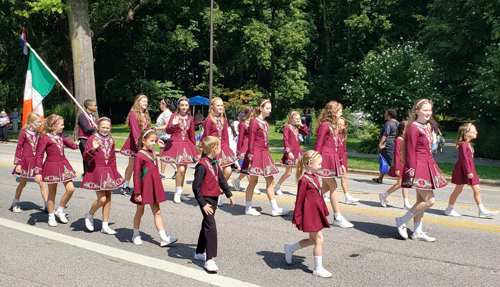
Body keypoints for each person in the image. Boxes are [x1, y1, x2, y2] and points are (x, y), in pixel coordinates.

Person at [396, 99, 448, 242]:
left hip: (428, 163)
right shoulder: (413, 128)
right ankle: (402, 220)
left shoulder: (427, 126)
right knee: (430, 200)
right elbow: (410, 151)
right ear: (417, 111)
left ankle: (417, 231)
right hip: (418, 165)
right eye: (425, 110)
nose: (428, 113)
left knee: (420, 200)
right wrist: (411, 171)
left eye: (430, 110)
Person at [285, 150, 332, 278]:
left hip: (316, 214)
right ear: (309, 163)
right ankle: (318, 268)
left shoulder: (316, 177)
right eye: (319, 164)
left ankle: (290, 249)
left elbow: (319, 196)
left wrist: (324, 211)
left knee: (312, 240)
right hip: (309, 215)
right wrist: (296, 218)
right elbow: (299, 201)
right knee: (319, 240)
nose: (321, 166)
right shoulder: (304, 180)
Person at [192, 136, 235, 272]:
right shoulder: (202, 165)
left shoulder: (215, 162)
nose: (221, 149)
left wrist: (229, 194)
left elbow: (221, 180)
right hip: (206, 200)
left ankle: (199, 252)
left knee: (206, 223)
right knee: (211, 226)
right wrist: (203, 204)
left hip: (214, 198)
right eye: (220, 147)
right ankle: (209, 259)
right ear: (214, 148)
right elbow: (196, 187)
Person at [240, 99, 289, 217]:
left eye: (270, 108)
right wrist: (250, 156)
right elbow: (251, 141)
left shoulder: (266, 123)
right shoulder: (254, 122)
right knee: (253, 181)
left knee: (270, 180)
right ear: (261, 108)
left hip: (264, 153)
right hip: (255, 153)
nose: (270, 111)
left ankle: (274, 208)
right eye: (267, 108)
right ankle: (248, 207)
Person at [130, 129, 178, 247]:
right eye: (151, 141)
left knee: (157, 212)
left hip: (153, 186)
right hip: (143, 188)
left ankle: (163, 238)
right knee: (140, 211)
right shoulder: (139, 155)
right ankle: (135, 234)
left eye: (154, 141)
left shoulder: (152, 153)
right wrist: (137, 192)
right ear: (143, 141)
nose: (153, 143)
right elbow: (136, 175)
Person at [444, 123, 499, 218]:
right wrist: (468, 172)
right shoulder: (463, 145)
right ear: (467, 133)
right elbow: (464, 159)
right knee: (458, 190)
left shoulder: (468, 144)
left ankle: (481, 210)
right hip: (463, 170)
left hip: (469, 169)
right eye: (474, 131)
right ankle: (449, 209)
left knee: (477, 189)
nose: (476, 132)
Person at [81, 117, 125, 234]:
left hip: (109, 171)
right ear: (98, 127)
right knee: (102, 199)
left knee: (108, 198)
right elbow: (86, 157)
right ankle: (89, 215)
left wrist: (114, 172)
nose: (105, 130)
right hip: (97, 170)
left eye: (107, 128)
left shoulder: (111, 139)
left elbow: (112, 157)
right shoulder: (92, 138)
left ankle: (104, 225)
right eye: (103, 127)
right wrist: (93, 149)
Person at [34, 114, 79, 227]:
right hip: (51, 166)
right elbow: (39, 155)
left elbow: (68, 143)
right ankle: (51, 215)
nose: (63, 126)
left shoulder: (60, 136)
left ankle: (60, 209)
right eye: (61, 124)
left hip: (63, 165)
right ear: (54, 126)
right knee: (52, 193)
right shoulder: (45, 138)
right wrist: (38, 172)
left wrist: (75, 145)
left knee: (71, 189)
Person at [314, 101, 353, 228]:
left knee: (324, 188)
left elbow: (339, 146)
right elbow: (318, 145)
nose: (341, 113)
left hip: (333, 159)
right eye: (340, 111)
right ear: (334, 112)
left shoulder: (334, 126)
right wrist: (315, 161)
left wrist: (341, 162)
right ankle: (337, 217)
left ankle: (308, 204)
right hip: (325, 159)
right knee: (333, 187)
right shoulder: (325, 125)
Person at [161, 97, 200, 203]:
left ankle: (180, 192)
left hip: (187, 144)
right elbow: (168, 131)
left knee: (184, 170)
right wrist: (173, 124)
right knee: (181, 170)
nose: (184, 107)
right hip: (176, 144)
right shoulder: (174, 116)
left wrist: (193, 147)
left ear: (188, 106)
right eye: (182, 105)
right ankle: (177, 193)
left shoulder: (190, 118)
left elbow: (191, 133)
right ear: (178, 106)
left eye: (186, 105)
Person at [200, 97, 238, 206]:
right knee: (217, 171)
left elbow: (225, 136)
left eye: (222, 105)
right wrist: (206, 150)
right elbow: (206, 136)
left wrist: (227, 150)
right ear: (212, 107)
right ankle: (214, 195)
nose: (221, 107)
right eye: (218, 105)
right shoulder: (208, 120)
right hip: (213, 148)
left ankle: (217, 190)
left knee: (228, 171)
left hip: (223, 147)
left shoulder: (224, 120)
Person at [11, 112, 48, 213]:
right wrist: (18, 164)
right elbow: (19, 148)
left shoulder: (39, 134)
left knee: (42, 183)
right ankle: (15, 202)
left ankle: (47, 205)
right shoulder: (24, 133)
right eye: (37, 122)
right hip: (25, 162)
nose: (39, 124)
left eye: (40, 122)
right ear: (31, 123)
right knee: (23, 183)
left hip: (36, 162)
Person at [120, 94, 151, 196]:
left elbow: (147, 130)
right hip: (135, 143)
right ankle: (126, 186)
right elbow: (135, 131)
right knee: (132, 165)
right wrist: (139, 144)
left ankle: (140, 186)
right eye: (143, 101)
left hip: (143, 143)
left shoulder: (145, 115)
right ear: (138, 102)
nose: (145, 103)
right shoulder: (133, 114)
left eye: (146, 102)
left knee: (142, 166)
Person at [378, 120, 412, 210]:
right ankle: (383, 195)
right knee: (399, 184)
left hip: (404, 164)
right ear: (403, 129)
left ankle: (406, 203)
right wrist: (397, 168)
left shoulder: (404, 139)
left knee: (405, 183)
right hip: (399, 165)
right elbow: (397, 154)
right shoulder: (398, 140)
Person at [275, 111, 309, 195]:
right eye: (296, 118)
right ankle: (277, 187)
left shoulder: (297, 128)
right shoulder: (287, 127)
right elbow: (285, 140)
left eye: (299, 118)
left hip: (298, 152)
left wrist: (301, 125)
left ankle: (301, 190)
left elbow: (306, 133)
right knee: (288, 173)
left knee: (301, 171)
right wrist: (288, 152)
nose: (297, 120)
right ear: (290, 119)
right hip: (290, 152)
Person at [337, 117, 360, 205]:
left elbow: (343, 150)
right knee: (329, 182)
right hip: (335, 159)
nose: (339, 126)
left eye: (341, 124)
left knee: (343, 177)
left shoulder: (342, 136)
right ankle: (321, 195)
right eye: (337, 124)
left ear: (345, 126)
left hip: (341, 159)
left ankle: (347, 196)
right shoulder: (335, 136)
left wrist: (343, 162)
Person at [372, 109, 399, 184]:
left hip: (388, 145)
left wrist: (380, 143)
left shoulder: (388, 123)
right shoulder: (398, 123)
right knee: (386, 161)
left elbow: (386, 134)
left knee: (391, 162)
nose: (385, 115)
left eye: (386, 114)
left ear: (389, 115)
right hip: (396, 143)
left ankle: (400, 180)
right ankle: (380, 178)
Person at [231, 106, 252, 192]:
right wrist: (238, 151)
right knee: (248, 167)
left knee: (249, 167)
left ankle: (237, 180)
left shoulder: (253, 123)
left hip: (252, 145)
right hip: (245, 146)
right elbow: (240, 139)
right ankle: (252, 187)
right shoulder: (243, 124)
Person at [155, 98, 177, 179]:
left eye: (161, 103)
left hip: (165, 137)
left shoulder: (166, 114)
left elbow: (167, 126)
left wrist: (156, 128)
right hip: (163, 136)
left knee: (163, 155)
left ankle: (163, 173)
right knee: (163, 155)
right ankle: (175, 169)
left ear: (164, 105)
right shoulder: (165, 113)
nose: (160, 105)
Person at [77, 99, 98, 177]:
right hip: (84, 139)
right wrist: (96, 129)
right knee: (87, 158)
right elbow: (85, 128)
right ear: (89, 106)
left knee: (94, 158)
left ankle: (91, 175)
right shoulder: (82, 116)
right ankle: (87, 175)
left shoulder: (93, 117)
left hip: (92, 140)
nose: (96, 107)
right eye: (95, 105)